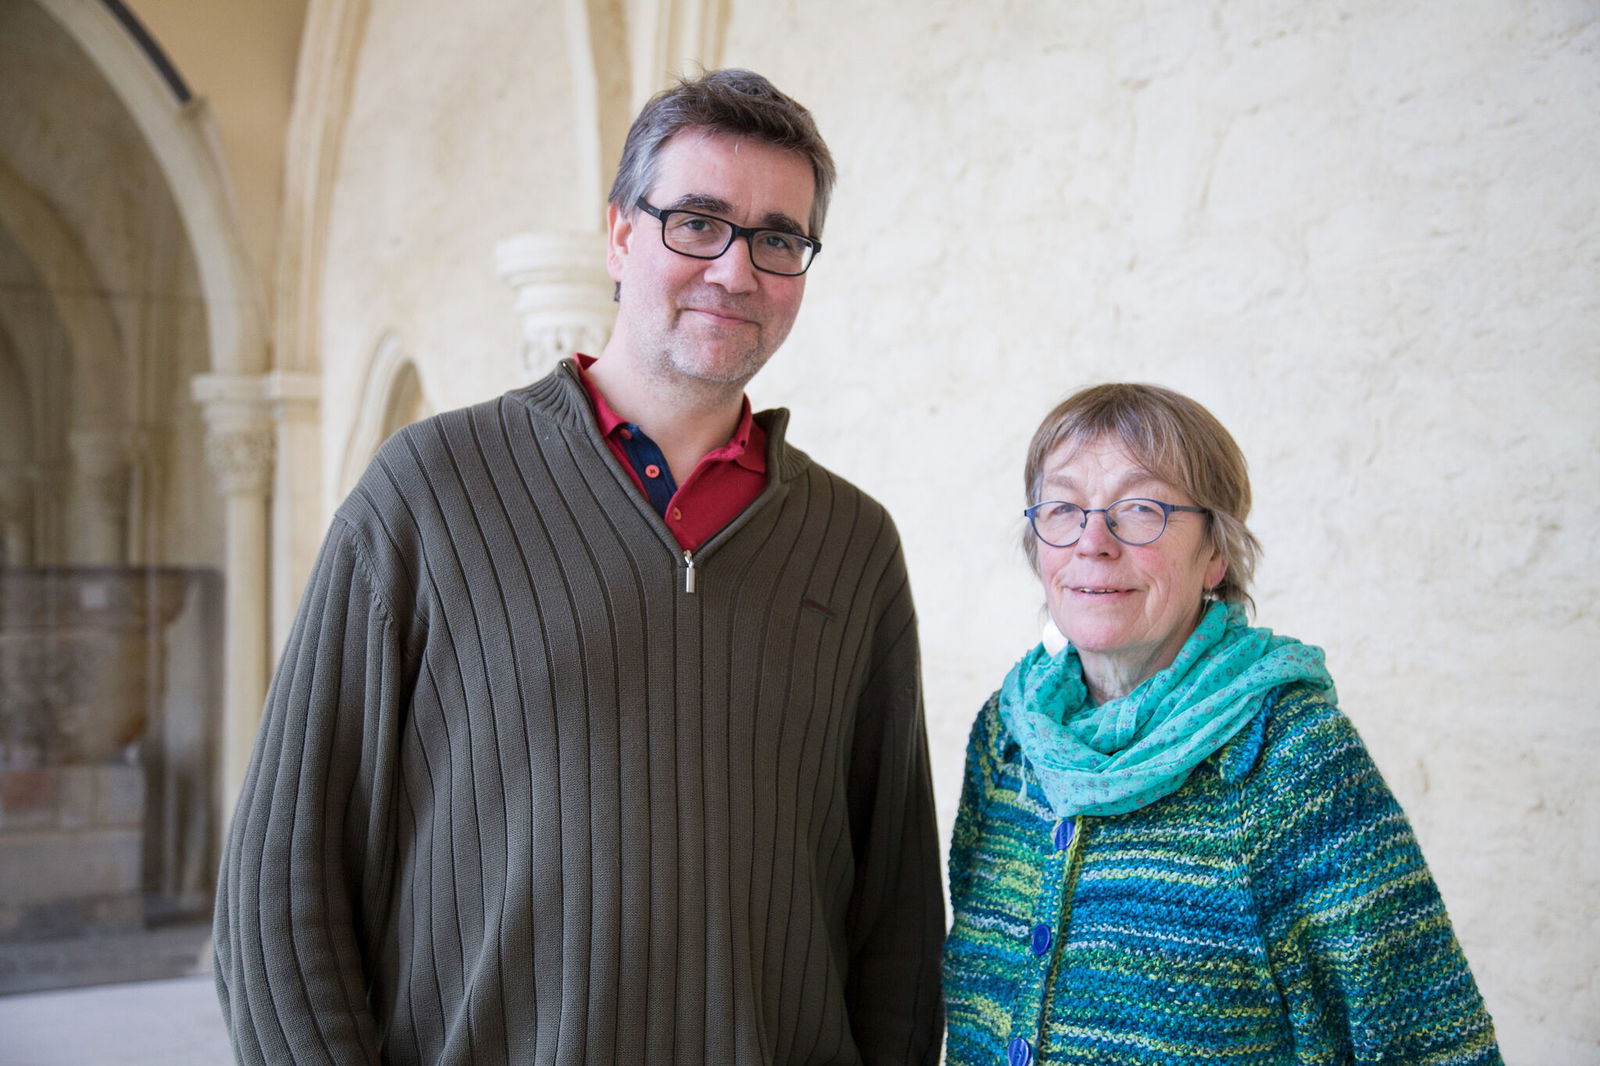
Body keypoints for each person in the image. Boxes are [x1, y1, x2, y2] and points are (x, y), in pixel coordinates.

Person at [214, 69, 945, 1066]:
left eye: (778, 238)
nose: (736, 270)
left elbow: (895, 926)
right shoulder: (429, 491)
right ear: (619, 234)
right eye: (698, 221)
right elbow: (276, 891)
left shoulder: (852, 544)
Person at [941, 384, 1501, 1065]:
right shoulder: (1008, 738)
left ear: (1217, 552)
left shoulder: (1287, 756)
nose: (1093, 542)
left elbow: (1433, 1042)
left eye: (1141, 509)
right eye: (1063, 509)